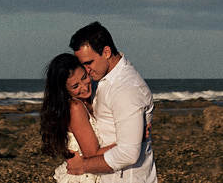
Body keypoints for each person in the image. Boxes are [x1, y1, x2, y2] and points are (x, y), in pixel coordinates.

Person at [65, 21, 157, 182]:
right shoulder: (97, 78)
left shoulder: (126, 89)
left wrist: (83, 166)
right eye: (82, 64)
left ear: (106, 52)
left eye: (88, 63)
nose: (85, 71)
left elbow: (128, 153)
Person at [40, 53, 115, 183]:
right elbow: (92, 153)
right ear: (64, 90)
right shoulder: (76, 107)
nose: (84, 87)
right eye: (75, 86)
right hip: (84, 177)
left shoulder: (89, 99)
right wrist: (131, 140)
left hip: (93, 172)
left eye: (84, 77)